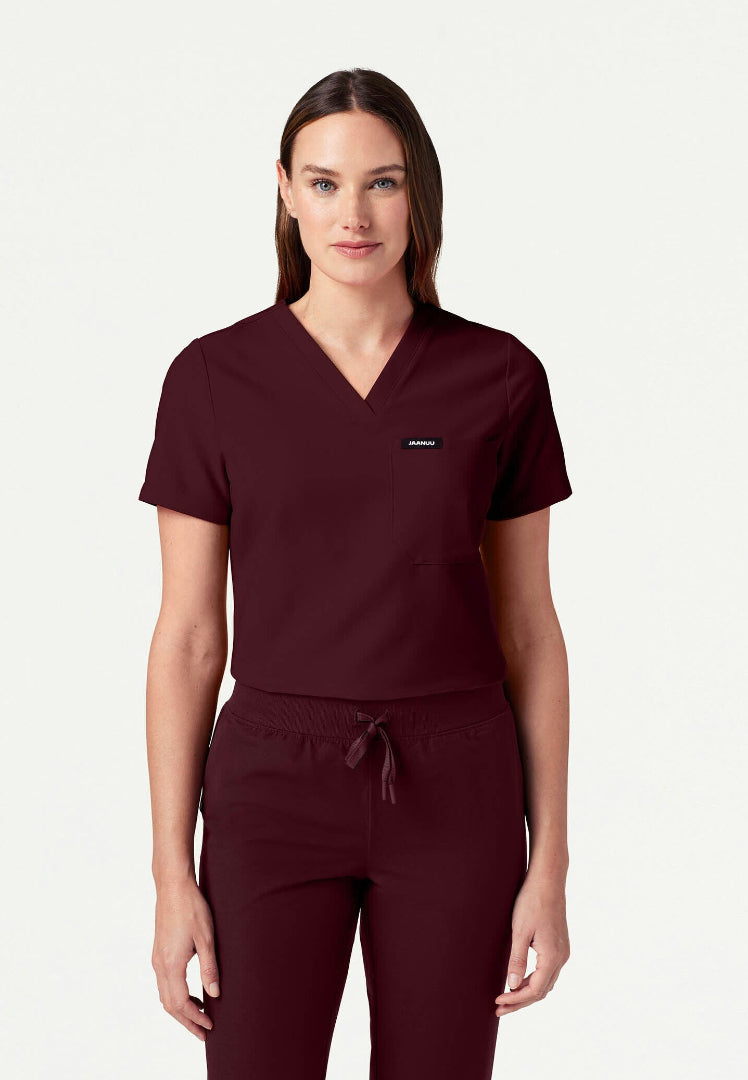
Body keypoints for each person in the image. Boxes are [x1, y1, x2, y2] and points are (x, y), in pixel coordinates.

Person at [138, 67, 573, 1080]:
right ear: (285, 192)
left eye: (383, 182)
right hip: (270, 787)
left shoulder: (500, 376)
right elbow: (190, 636)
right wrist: (170, 872)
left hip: (457, 785)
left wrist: (549, 857)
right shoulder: (213, 378)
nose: (355, 215)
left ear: (419, 191)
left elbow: (529, 629)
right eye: (325, 183)